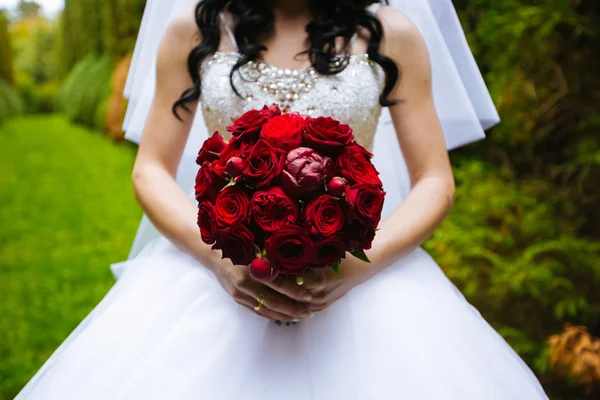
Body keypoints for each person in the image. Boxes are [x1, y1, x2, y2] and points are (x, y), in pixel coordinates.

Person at [16, 1, 550, 399]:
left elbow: (436, 180)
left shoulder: (392, 34)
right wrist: (220, 262)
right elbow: (151, 168)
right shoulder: (195, 30)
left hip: (365, 282)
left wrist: (349, 270)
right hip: (214, 281)